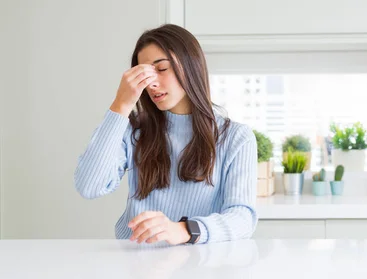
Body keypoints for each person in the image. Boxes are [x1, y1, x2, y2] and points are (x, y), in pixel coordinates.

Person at [74, 24, 258, 245]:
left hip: (199, 264)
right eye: (144, 74)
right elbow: (89, 186)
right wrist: (120, 105)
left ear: (191, 66)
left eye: (161, 69)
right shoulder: (133, 130)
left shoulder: (236, 137)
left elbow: (242, 218)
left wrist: (184, 230)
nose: (151, 83)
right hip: (133, 263)